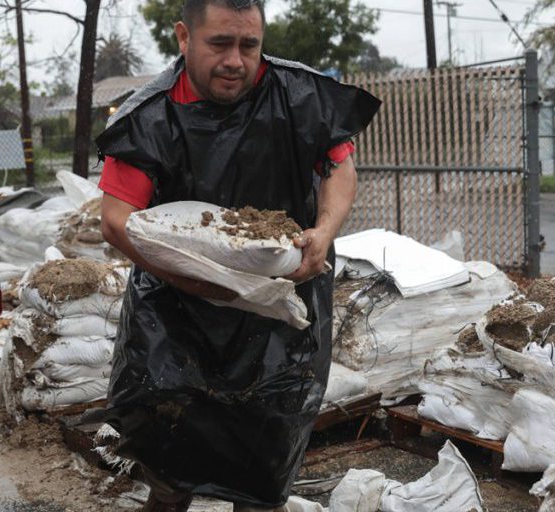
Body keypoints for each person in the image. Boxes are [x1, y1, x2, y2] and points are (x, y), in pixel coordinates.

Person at [94, 1, 380, 511]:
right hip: (175, 318)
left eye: (249, 45)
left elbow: (339, 169)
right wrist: (192, 279)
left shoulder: (297, 95)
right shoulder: (151, 116)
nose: (235, 60)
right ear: (184, 36)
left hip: (278, 317)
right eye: (219, 44)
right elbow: (117, 219)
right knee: (170, 470)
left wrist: (324, 231)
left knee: (264, 473)